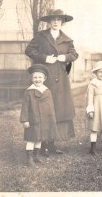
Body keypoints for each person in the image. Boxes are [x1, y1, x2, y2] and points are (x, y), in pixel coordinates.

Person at [25, 9, 78, 154]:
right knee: (44, 109)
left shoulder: (67, 39)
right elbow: (29, 50)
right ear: (49, 22)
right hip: (45, 78)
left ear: (62, 22)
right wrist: (44, 58)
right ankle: (41, 145)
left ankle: (52, 144)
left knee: (58, 109)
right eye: (53, 19)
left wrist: (65, 58)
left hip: (61, 80)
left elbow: (74, 54)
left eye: (59, 19)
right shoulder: (41, 36)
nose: (56, 22)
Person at [20, 64, 58, 167]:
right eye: (35, 77)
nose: (37, 80)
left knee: (40, 138)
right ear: (32, 78)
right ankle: (29, 159)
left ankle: (36, 156)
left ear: (44, 78)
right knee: (31, 139)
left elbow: (50, 107)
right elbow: (25, 107)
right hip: (33, 120)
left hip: (44, 120)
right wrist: (25, 120)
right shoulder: (29, 92)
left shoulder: (47, 91)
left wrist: (51, 119)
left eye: (40, 77)